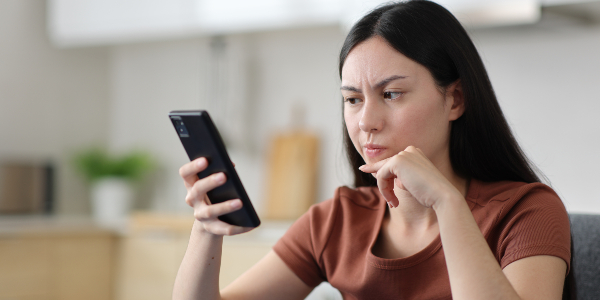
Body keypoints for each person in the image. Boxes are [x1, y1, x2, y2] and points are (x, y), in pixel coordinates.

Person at [172, 1, 572, 299]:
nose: (366, 122)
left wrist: (448, 205)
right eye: (352, 100)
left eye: (392, 93)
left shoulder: (527, 212)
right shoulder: (338, 222)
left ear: (455, 100)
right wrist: (206, 229)